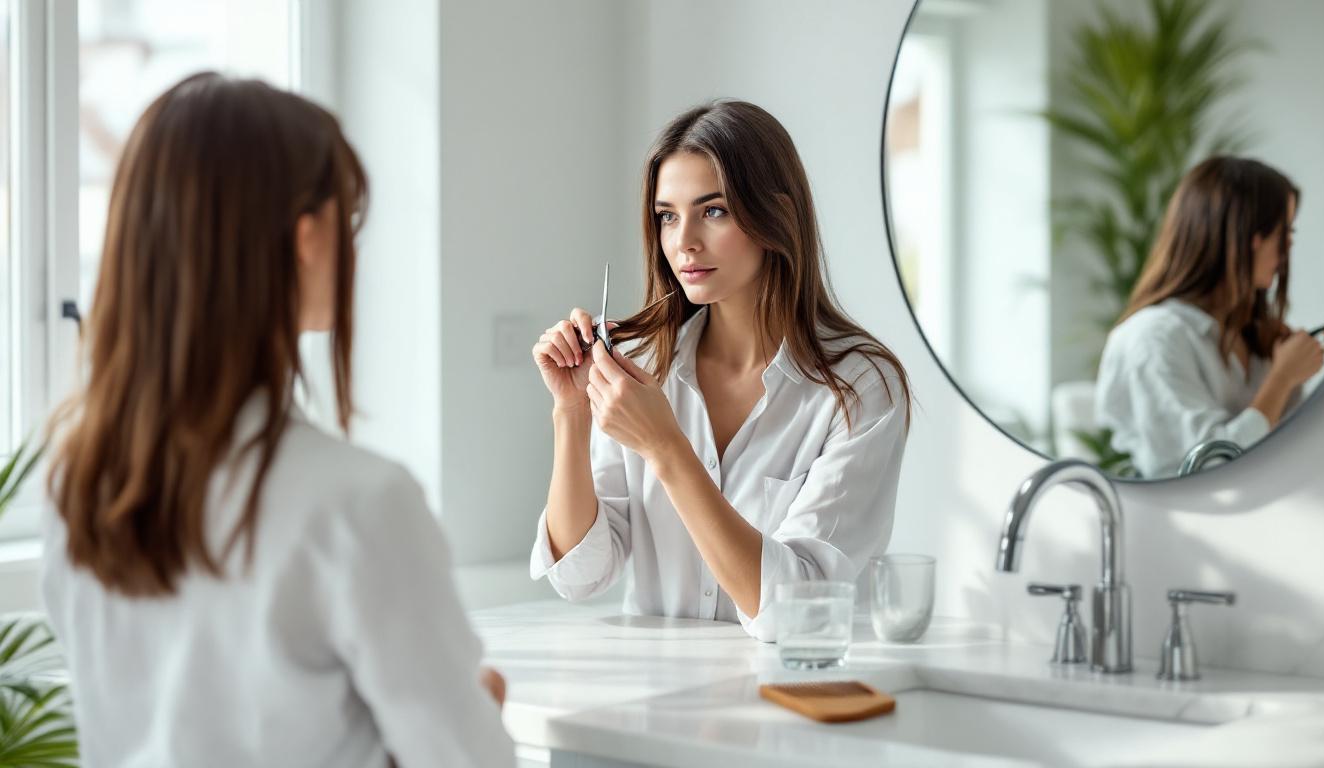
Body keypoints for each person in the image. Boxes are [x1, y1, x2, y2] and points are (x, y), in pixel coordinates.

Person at [42, 73, 514, 767]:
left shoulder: (77, 485)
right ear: (306, 237)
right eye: (348, 219)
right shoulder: (358, 502)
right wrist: (480, 711)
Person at [529, 100, 911, 641]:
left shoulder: (858, 388)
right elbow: (581, 574)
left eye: (714, 211)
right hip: (659, 702)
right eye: (667, 215)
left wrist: (667, 449)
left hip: (796, 700)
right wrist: (570, 413)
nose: (683, 241)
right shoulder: (642, 370)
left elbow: (796, 608)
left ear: (774, 215)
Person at [1096, 156, 1324, 478]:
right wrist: (1280, 380)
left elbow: (1285, 455)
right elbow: (1203, 470)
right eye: (1285, 232)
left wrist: (1294, 376)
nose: (1289, 248)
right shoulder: (1153, 338)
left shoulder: (1250, 333)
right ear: (1249, 237)